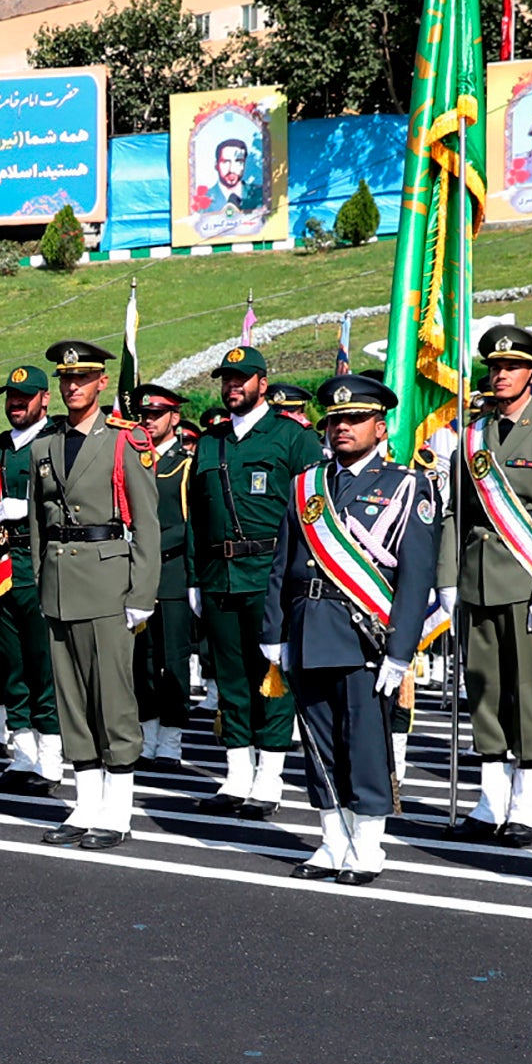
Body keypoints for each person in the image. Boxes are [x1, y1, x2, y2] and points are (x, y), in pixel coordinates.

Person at [262, 374, 440, 884]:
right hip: (308, 628)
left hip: (367, 633)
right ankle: (331, 838)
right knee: (317, 741)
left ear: (380, 427)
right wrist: (274, 632)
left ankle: (367, 844)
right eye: (335, 419)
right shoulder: (306, 485)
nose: (342, 427)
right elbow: (284, 564)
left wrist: (402, 652)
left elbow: (415, 576)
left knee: (363, 741)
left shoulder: (407, 486)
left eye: (355, 419)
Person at [438, 324, 532, 847]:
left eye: (511, 367)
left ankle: (526, 804)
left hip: (527, 580)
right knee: (483, 691)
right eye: (495, 368)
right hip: (478, 579)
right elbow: (457, 511)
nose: (500, 375)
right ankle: (490, 798)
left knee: (527, 695)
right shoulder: (474, 432)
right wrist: (448, 577)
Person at [25, 341, 160, 847]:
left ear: (102, 382)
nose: (71, 386)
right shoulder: (45, 444)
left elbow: (146, 523)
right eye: (64, 379)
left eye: (81, 378)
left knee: (113, 698)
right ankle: (85, 805)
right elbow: (41, 526)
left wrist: (140, 592)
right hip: (60, 584)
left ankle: (117, 811)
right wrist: (42, 581)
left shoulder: (127, 442)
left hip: (108, 581)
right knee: (72, 701)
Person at [189, 345, 313, 816]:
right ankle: (237, 774)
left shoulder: (290, 437)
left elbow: (311, 510)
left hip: (270, 575)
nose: (232, 387)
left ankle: (270, 777)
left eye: (242, 378)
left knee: (272, 676)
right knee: (231, 678)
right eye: (226, 379)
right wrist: (196, 579)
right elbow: (198, 516)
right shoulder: (210, 442)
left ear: (263, 382)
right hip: (219, 574)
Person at [0, 363, 58, 790]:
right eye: (11, 398)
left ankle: (51, 758)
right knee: (12, 665)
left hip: (40, 564)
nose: (16, 405)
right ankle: (23, 753)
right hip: (3, 567)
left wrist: (29, 510)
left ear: (45, 399)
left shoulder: (56, 443)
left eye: (25, 398)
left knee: (43, 664)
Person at [131, 382, 199, 766]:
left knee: (173, 658)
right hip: (137, 574)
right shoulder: (134, 459)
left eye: (157, 415)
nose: (149, 421)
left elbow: (187, 523)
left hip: (171, 572)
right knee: (142, 657)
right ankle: (148, 729)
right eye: (145, 415)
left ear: (174, 418)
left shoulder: (184, 465)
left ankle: (171, 737)